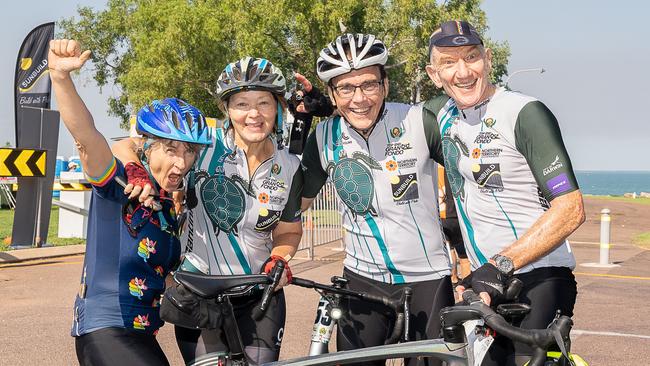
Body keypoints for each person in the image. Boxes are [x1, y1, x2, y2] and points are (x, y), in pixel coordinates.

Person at [113, 56, 304, 365]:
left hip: (260, 295)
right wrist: (135, 169)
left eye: (264, 103)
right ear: (227, 110)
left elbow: (289, 230)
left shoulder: (290, 167)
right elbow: (123, 145)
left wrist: (280, 258)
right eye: (242, 104)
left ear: (278, 107)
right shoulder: (202, 145)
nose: (253, 114)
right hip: (198, 291)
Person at [423, 20, 586, 365]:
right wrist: (312, 114)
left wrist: (501, 265)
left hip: (539, 277)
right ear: (434, 74)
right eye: (449, 63)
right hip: (487, 284)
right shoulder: (440, 116)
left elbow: (570, 208)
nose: (463, 71)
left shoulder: (525, 113)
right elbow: (379, 123)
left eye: (471, 57)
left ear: (489, 59)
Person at [48, 39, 212, 366]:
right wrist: (61, 79)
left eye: (190, 151)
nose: (182, 162)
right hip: (105, 328)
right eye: (171, 149)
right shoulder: (121, 182)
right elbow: (86, 137)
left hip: (141, 334)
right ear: (146, 148)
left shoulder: (166, 205)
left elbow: (157, 273)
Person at [300, 33, 454, 366]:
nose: (359, 99)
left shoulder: (418, 120)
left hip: (428, 279)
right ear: (332, 94)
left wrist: (464, 247)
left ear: (385, 85)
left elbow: (466, 175)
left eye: (369, 85)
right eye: (346, 88)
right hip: (362, 280)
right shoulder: (324, 137)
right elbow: (292, 204)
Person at [437, 165, 470, 288]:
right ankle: (465, 288)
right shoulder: (452, 169)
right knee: (464, 256)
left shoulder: (432, 171)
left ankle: (454, 277)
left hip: (440, 217)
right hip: (455, 217)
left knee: (449, 250)